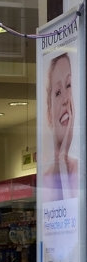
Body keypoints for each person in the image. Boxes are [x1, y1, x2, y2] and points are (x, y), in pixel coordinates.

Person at [43, 52, 78, 201]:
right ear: (49, 114)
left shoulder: (80, 169)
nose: (65, 99)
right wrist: (61, 158)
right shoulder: (44, 181)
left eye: (68, 85)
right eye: (57, 92)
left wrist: (63, 156)